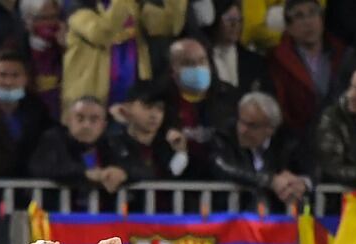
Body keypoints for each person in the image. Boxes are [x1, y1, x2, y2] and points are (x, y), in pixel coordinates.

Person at [61, 0, 187, 110]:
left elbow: (169, 25)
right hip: (91, 103)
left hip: (133, 99)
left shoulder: (131, 5)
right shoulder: (78, 5)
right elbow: (101, 33)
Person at [209, 91, 309, 208]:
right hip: (231, 216)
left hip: (275, 217)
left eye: (251, 125)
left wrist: (302, 183)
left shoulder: (286, 140)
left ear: (270, 129)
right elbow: (221, 167)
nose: (242, 130)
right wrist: (269, 181)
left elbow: (312, 169)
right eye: (241, 121)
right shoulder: (224, 135)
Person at [266, 0, 350, 134]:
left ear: (321, 20)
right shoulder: (276, 63)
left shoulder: (343, 55)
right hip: (298, 140)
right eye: (299, 16)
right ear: (289, 28)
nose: (308, 22)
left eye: (313, 13)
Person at [161, 37, 239, 173]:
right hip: (176, 182)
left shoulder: (228, 97)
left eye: (202, 61)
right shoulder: (161, 101)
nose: (197, 68)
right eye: (188, 63)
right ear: (172, 70)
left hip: (219, 180)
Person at [29, 95, 132, 195]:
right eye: (80, 118)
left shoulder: (111, 142)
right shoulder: (53, 138)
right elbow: (43, 167)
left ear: (104, 125)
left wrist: (124, 173)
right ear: (68, 121)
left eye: (94, 119)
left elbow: (138, 168)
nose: (86, 125)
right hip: (50, 210)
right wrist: (86, 173)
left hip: (100, 211)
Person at [0, 49, 53, 171]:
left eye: (15, 76)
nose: (8, 82)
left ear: (25, 78)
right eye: (2, 75)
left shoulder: (38, 110)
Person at [110, 80, 190, 180]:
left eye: (160, 109)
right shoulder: (113, 144)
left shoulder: (169, 147)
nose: (154, 115)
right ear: (128, 107)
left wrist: (181, 153)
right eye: (147, 106)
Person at [205, 0, 268, 97]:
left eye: (239, 20)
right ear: (216, 20)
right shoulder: (203, 59)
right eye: (229, 20)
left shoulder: (256, 62)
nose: (235, 25)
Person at [18, 0, 66, 120]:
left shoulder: (67, 45)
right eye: (44, 18)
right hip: (28, 110)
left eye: (54, 16)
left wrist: (66, 49)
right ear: (28, 20)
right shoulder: (15, 45)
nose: (51, 23)